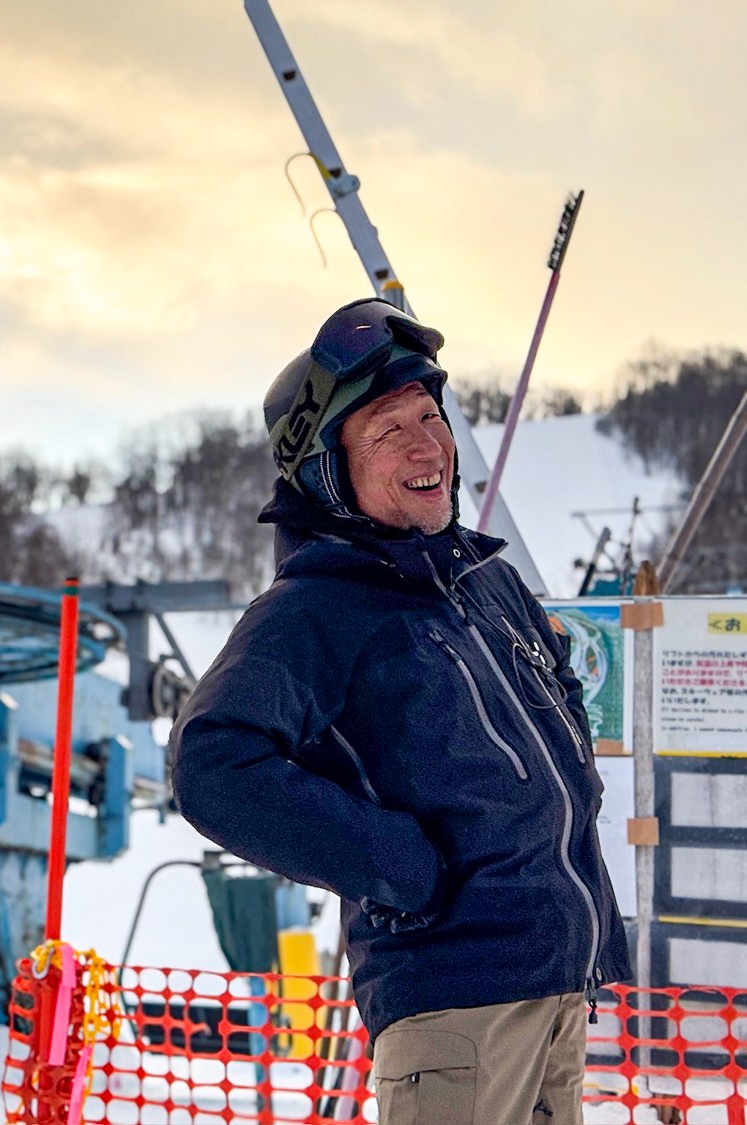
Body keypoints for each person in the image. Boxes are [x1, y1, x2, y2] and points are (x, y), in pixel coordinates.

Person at [170, 298, 630, 1125]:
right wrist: (396, 863)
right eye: (389, 431)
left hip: (555, 988)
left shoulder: (485, 581)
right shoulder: (315, 612)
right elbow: (213, 762)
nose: (429, 446)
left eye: (431, 416)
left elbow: (556, 717)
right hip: (454, 1011)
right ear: (327, 470)